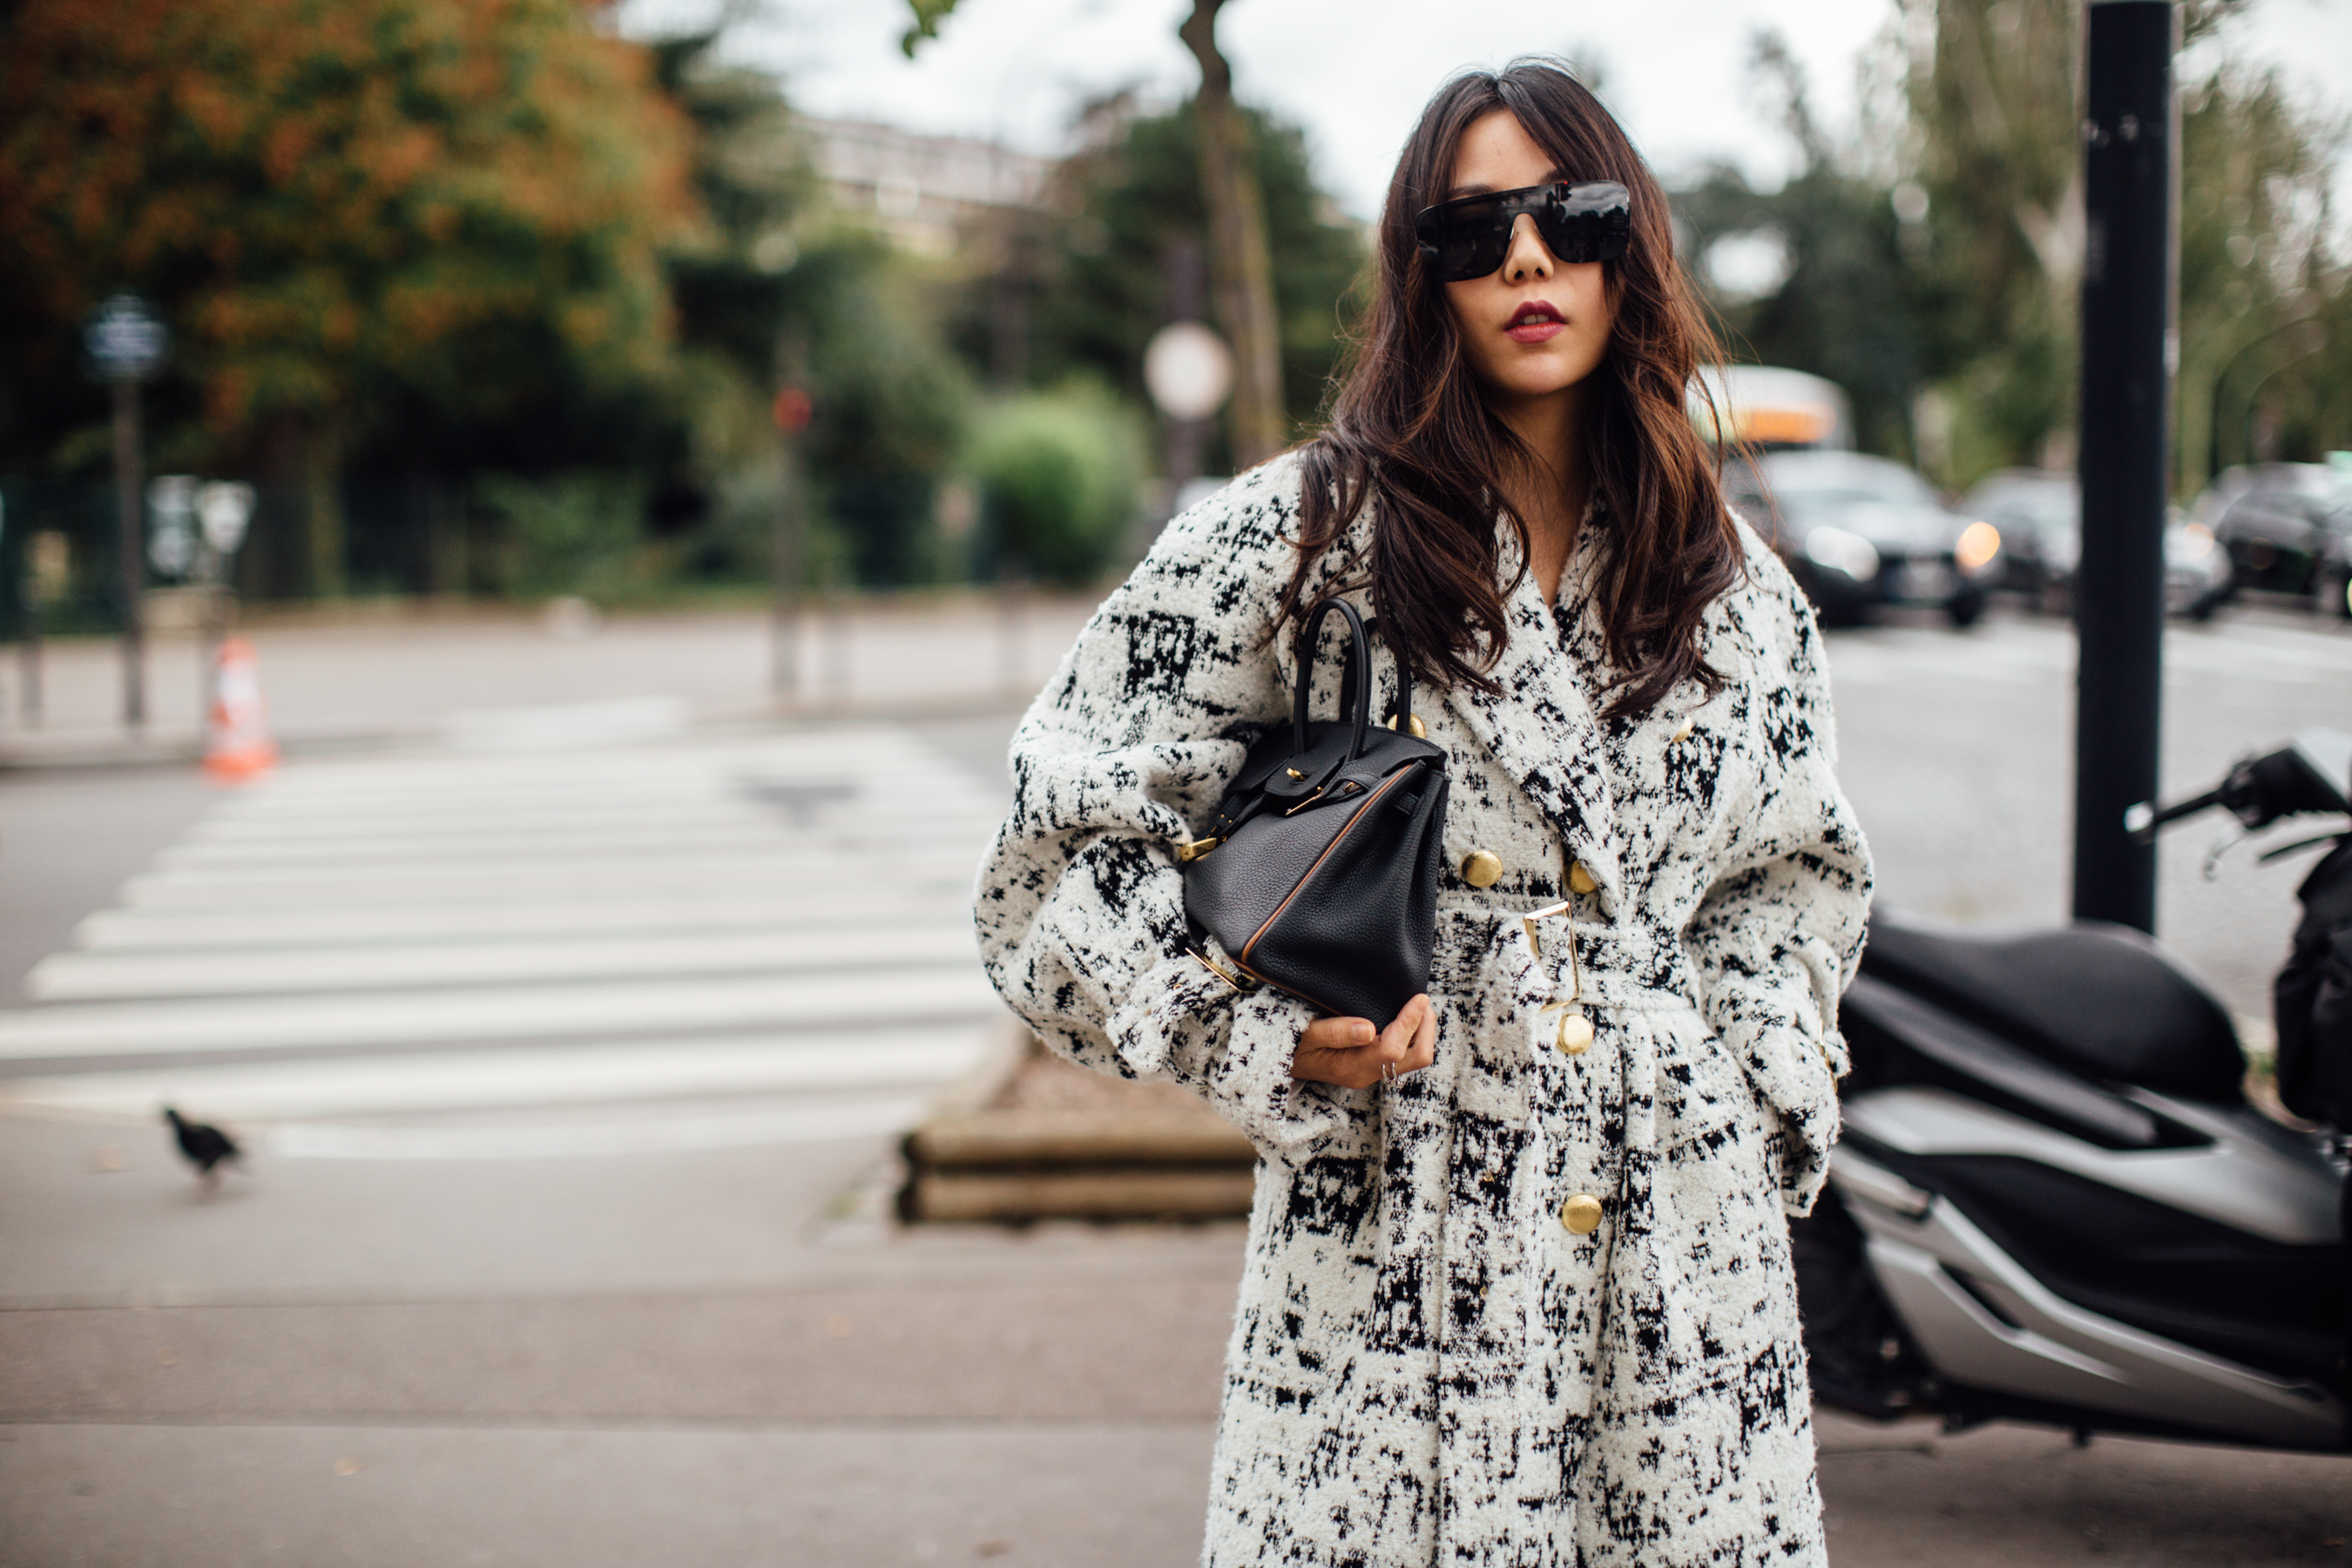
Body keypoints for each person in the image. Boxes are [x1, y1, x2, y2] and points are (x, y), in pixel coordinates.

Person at [974, 57, 1871, 1568]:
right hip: (1401, 1245)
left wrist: (1754, 1092)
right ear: (1422, 274)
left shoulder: (1734, 585)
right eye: (1472, 229)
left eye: (1568, 215)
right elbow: (1055, 839)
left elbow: (1798, 884)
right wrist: (1250, 1034)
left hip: (1683, 1284)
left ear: (1629, 244)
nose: (1525, 258)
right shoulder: (1305, 536)